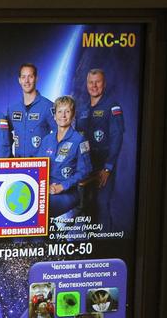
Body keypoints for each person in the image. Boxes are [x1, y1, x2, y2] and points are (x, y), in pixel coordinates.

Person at [76, 69, 125, 230]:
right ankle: (90, 248)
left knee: (102, 205)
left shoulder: (112, 106)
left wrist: (108, 167)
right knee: (87, 207)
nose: (94, 86)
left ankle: (105, 246)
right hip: (86, 167)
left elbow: (117, 137)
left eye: (98, 82)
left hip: (104, 167)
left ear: (104, 84)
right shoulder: (82, 109)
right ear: (87, 84)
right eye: (91, 82)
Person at [40, 96, 92, 218]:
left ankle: (44, 237)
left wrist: (62, 186)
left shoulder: (80, 140)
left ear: (73, 115)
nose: (63, 115)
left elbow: (85, 171)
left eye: (67, 111)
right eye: (59, 111)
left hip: (68, 193)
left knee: (42, 207)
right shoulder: (47, 139)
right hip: (45, 189)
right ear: (54, 115)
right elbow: (38, 166)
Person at [4, 63, 53, 157]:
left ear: (36, 78)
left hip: (41, 164)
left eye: (30, 76)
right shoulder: (12, 109)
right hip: (20, 165)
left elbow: (59, 135)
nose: (26, 81)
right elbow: (6, 139)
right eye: (23, 77)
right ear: (19, 80)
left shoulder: (48, 106)